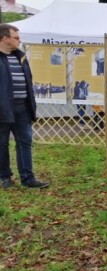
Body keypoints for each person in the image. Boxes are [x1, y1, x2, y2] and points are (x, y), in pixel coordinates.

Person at [0, 24, 49, 189]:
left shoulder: (20, 57)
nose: (19, 40)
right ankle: (4, 177)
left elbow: (28, 82)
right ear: (5, 38)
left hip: (23, 108)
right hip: (3, 109)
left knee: (25, 142)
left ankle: (28, 178)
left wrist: (30, 106)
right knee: (2, 144)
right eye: (16, 37)